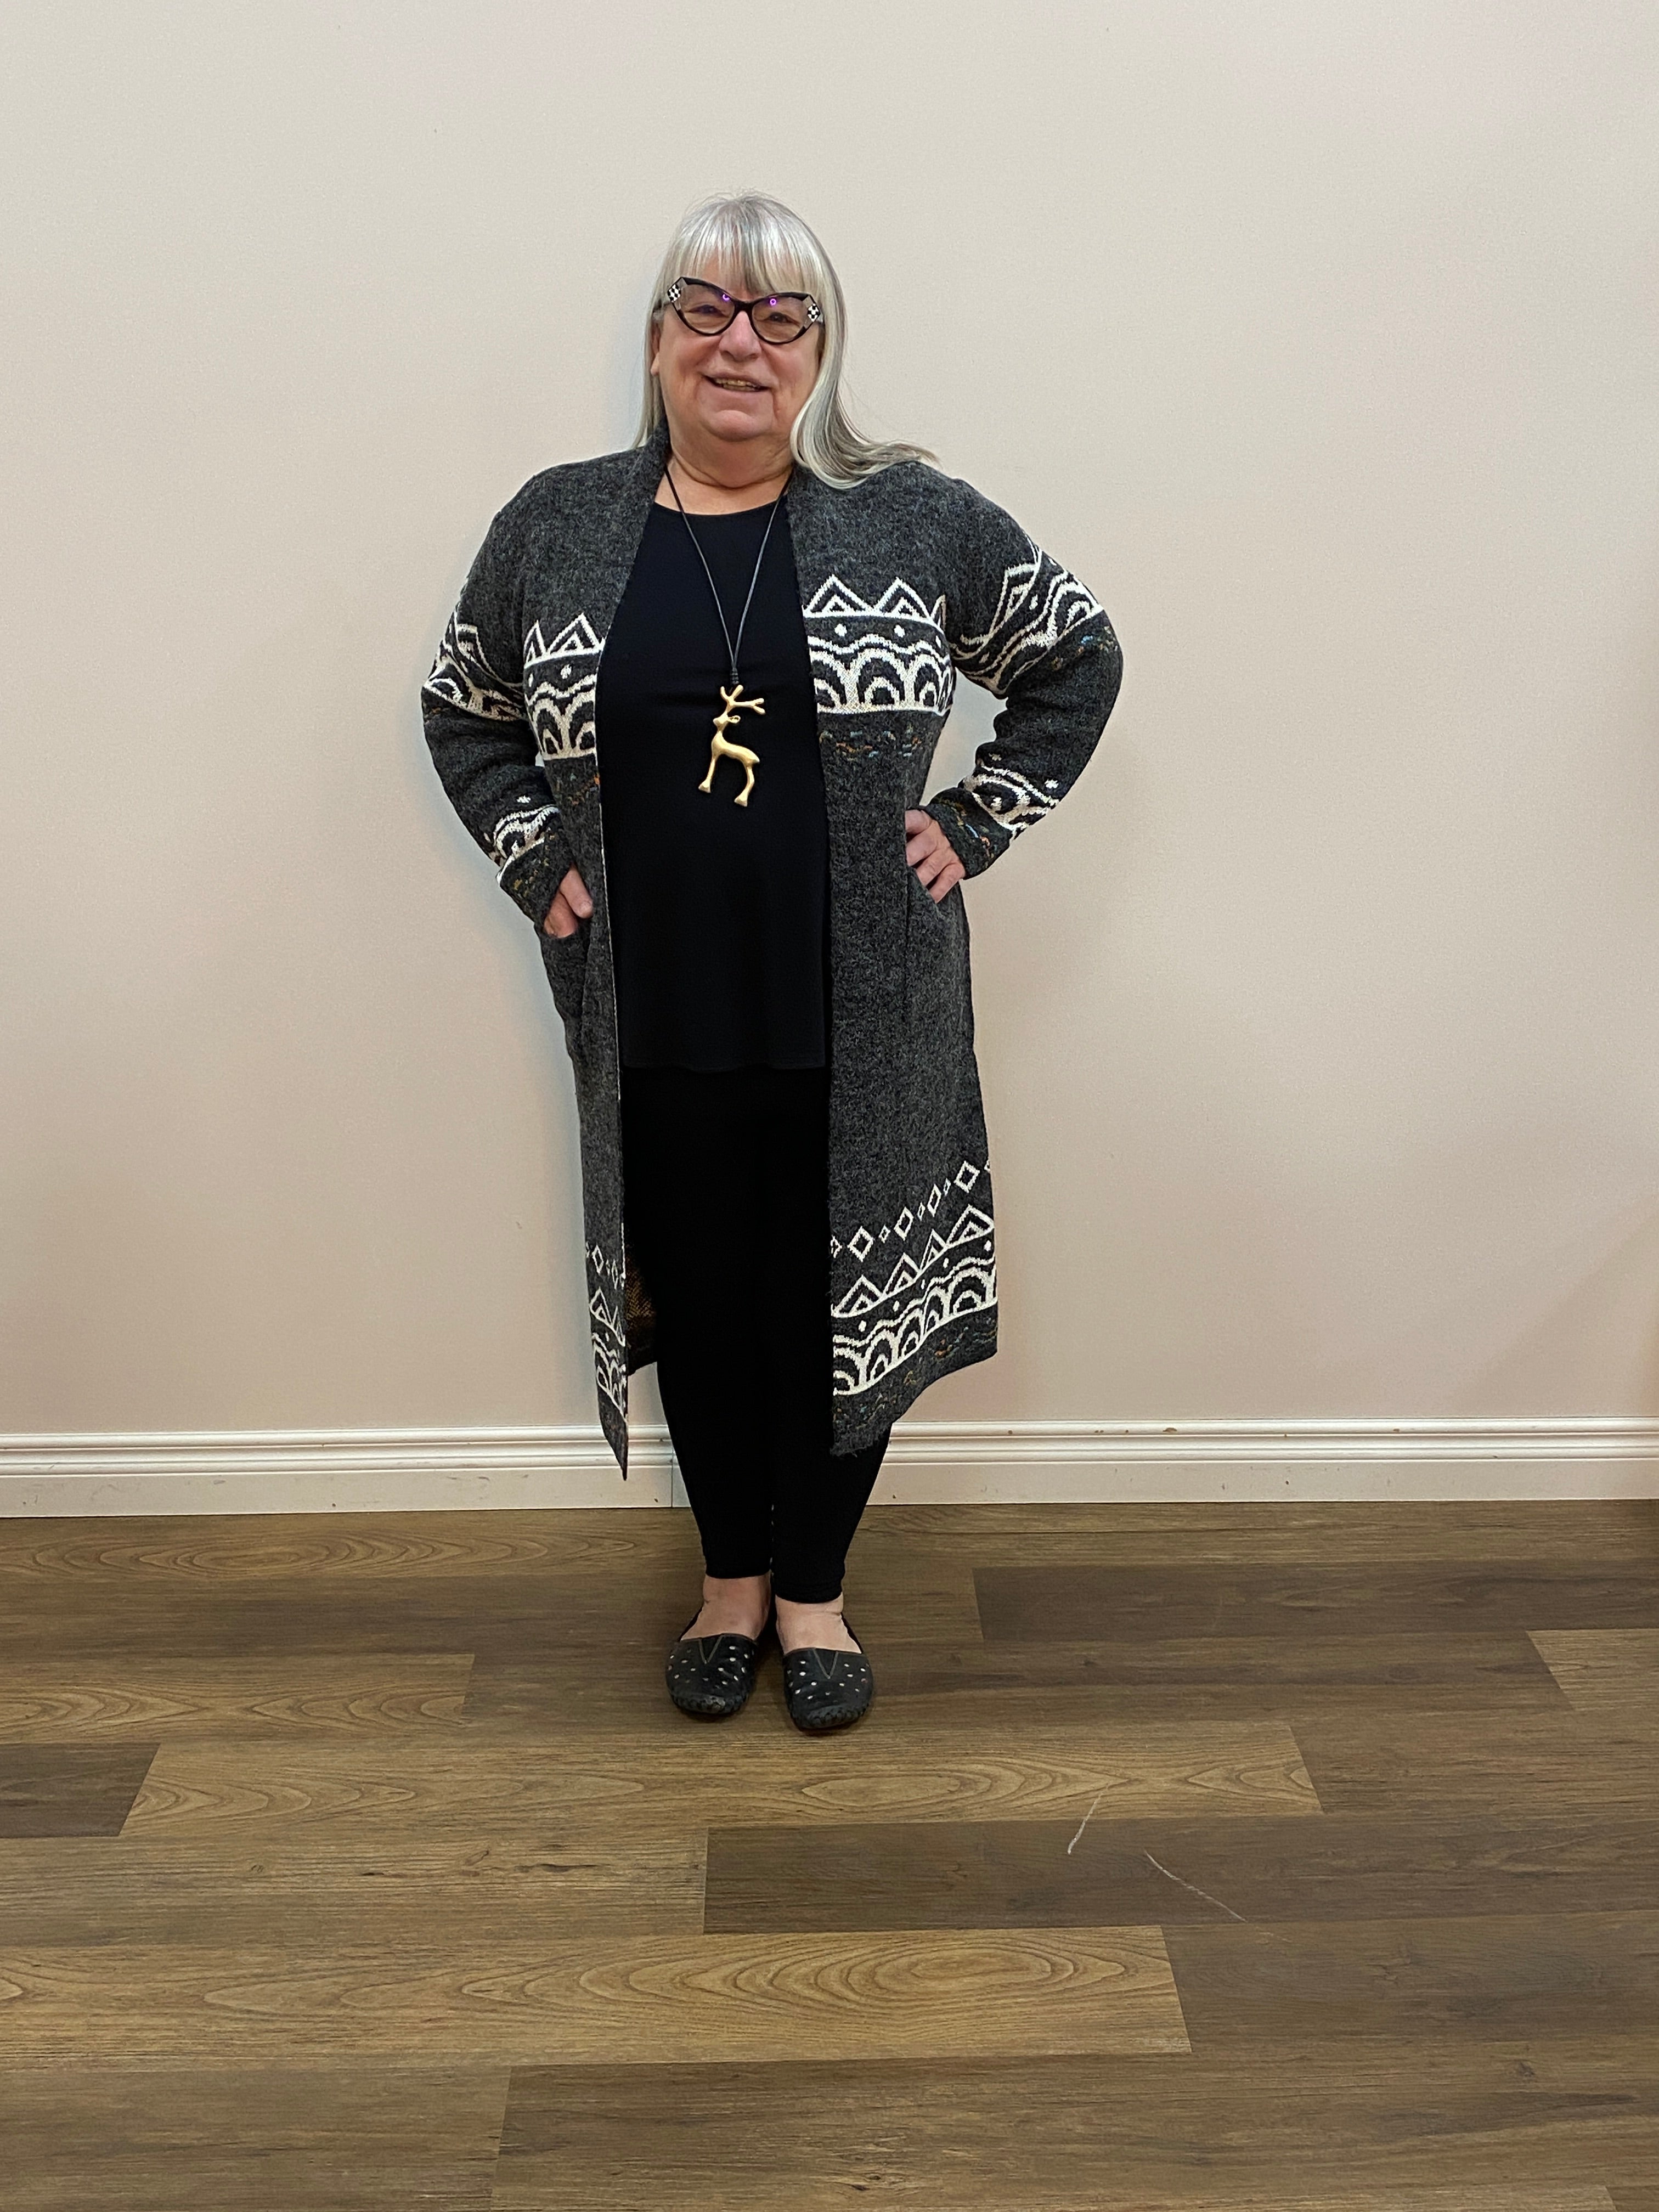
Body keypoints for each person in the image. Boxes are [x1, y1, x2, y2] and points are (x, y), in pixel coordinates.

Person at [421, 190, 1123, 1733]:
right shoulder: (557, 524)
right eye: (705, 307)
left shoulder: (917, 519)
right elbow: (464, 710)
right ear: (662, 338)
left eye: (778, 313)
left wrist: (977, 818)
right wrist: (536, 858)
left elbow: (1079, 658)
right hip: (651, 1003)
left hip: (855, 1011)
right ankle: (728, 1576)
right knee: (707, 1302)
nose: (739, 340)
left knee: (829, 1301)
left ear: (820, 348)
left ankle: (815, 1588)